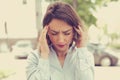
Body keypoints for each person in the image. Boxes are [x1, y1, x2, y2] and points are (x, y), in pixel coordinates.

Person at [26, 1, 94, 80]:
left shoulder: (86, 56)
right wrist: (44, 55)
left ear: (75, 31)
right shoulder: (35, 57)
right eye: (54, 33)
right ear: (46, 32)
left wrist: (81, 49)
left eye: (67, 33)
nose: (60, 40)